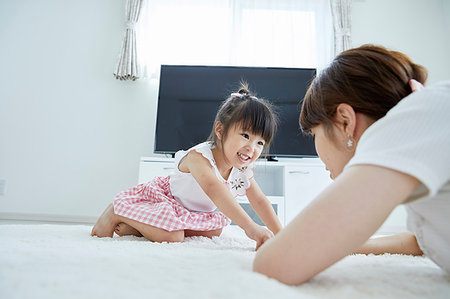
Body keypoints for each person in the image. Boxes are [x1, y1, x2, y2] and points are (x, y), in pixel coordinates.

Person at [253, 44, 450, 284]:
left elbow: (275, 264)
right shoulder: (428, 123)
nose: (316, 149)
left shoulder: (417, 117)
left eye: (314, 134)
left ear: (345, 121)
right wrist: (342, 244)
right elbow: (420, 241)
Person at [91, 84, 282, 249]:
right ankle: (117, 211)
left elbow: (259, 201)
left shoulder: (241, 169)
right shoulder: (199, 157)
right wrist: (251, 228)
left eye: (260, 143)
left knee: (215, 230)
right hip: (165, 201)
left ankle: (137, 228)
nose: (251, 148)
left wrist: (280, 234)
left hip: (191, 211)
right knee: (172, 237)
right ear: (221, 130)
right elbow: (214, 189)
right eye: (245, 136)